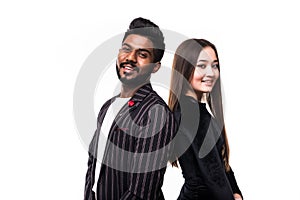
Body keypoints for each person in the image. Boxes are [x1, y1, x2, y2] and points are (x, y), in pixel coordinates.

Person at [84, 17, 176, 200]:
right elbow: (93, 169)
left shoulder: (155, 113)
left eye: (142, 55)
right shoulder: (107, 108)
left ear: (155, 67)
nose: (130, 58)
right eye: (126, 49)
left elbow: (142, 191)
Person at [168, 39, 243, 200]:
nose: (211, 73)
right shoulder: (191, 114)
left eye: (214, 65)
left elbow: (221, 166)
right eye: (202, 65)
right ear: (184, 69)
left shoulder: (197, 111)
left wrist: (236, 192)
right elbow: (213, 177)